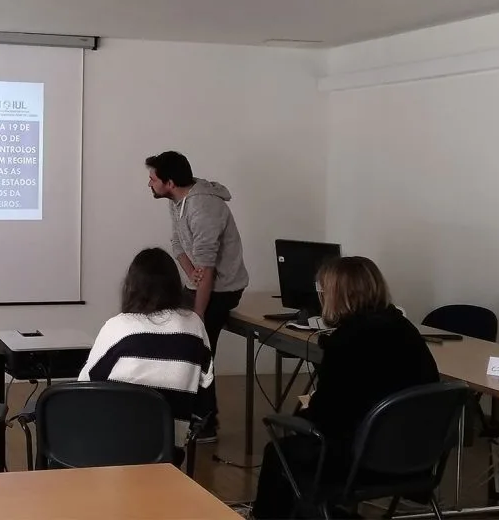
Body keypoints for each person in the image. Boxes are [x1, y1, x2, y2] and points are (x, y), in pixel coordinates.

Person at [252, 256, 440, 519]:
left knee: (279, 453)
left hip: (364, 461)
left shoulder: (346, 342)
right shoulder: (406, 330)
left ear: (337, 295)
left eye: (323, 290)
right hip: (417, 458)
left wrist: (304, 412)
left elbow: (328, 418)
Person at [146, 151, 248, 442]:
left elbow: (209, 265)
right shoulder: (177, 201)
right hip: (201, 282)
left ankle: (206, 423)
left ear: (169, 181)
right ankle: (177, 412)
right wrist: (193, 276)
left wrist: (199, 316)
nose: (149, 184)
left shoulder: (203, 208)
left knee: (199, 349)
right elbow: (178, 244)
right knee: (171, 335)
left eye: (152, 179)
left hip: (222, 290)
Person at [78, 247, 213, 457]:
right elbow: (205, 401)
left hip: (109, 453)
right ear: (174, 285)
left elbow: (84, 388)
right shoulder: (195, 327)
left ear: (131, 287)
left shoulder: (118, 327)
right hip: (167, 456)